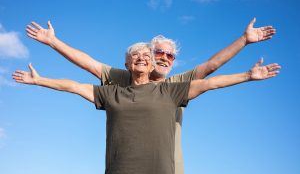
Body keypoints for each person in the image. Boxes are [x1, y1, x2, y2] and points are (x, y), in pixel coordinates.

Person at [25, 18, 276, 174]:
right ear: (142, 55)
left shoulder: (175, 85)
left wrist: (244, 43)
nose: (164, 58)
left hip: (169, 167)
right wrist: (53, 43)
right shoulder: (121, 79)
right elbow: (86, 67)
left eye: (170, 55)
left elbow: (211, 71)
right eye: (158, 53)